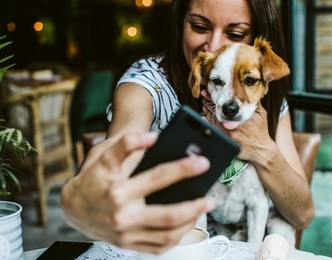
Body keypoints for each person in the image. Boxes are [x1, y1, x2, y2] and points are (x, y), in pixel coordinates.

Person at [61, 0, 314, 254]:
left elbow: (302, 215)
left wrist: (264, 150)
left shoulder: (264, 91)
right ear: (180, 23)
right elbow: (120, 142)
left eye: (235, 34)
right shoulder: (148, 82)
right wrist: (90, 187)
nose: (213, 45)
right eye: (199, 26)